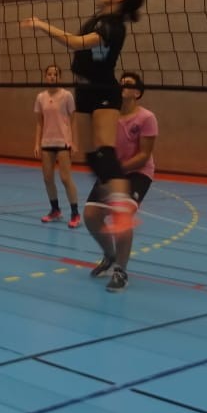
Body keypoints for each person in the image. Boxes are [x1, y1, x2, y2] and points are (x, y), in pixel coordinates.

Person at [20, 0, 146, 233]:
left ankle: (123, 209)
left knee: (105, 150)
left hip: (103, 88)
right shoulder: (101, 17)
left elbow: (76, 43)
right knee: (91, 156)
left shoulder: (113, 26)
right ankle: (114, 200)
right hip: (85, 89)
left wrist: (41, 25)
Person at [84, 72, 158, 292]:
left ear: (137, 93)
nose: (123, 86)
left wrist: (116, 171)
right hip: (112, 170)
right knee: (90, 216)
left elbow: (144, 155)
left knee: (122, 215)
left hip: (138, 173)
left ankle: (121, 271)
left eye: (128, 84)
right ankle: (110, 255)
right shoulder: (109, 115)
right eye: (121, 83)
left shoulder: (146, 118)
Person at [33, 64, 80, 227]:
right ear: (45, 76)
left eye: (55, 74)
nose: (52, 76)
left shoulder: (67, 95)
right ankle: (55, 210)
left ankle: (75, 213)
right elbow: (39, 123)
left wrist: (74, 142)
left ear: (59, 77)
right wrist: (37, 143)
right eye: (49, 74)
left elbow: (73, 120)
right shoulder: (41, 97)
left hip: (63, 142)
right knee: (47, 178)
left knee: (65, 178)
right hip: (47, 142)